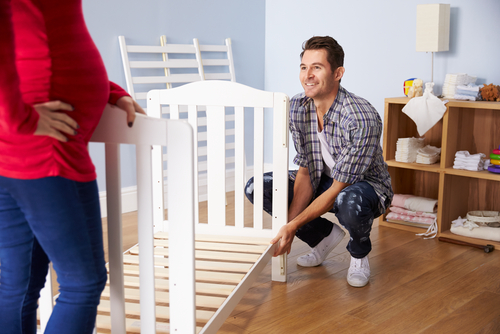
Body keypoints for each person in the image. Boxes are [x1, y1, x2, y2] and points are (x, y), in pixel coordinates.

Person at [0, 0, 145, 333]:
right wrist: (19, 118)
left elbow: (50, 37)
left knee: (18, 283)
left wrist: (105, 89)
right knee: (83, 282)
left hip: (16, 148)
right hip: (47, 149)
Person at [245, 36, 393, 288]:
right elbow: (305, 171)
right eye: (304, 67)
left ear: (338, 73)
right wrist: (289, 227)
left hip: (363, 189)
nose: (307, 75)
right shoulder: (298, 107)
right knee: (258, 186)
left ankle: (358, 255)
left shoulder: (361, 117)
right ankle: (323, 237)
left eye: (317, 67)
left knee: (348, 200)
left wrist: (291, 227)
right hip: (324, 182)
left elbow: (339, 188)